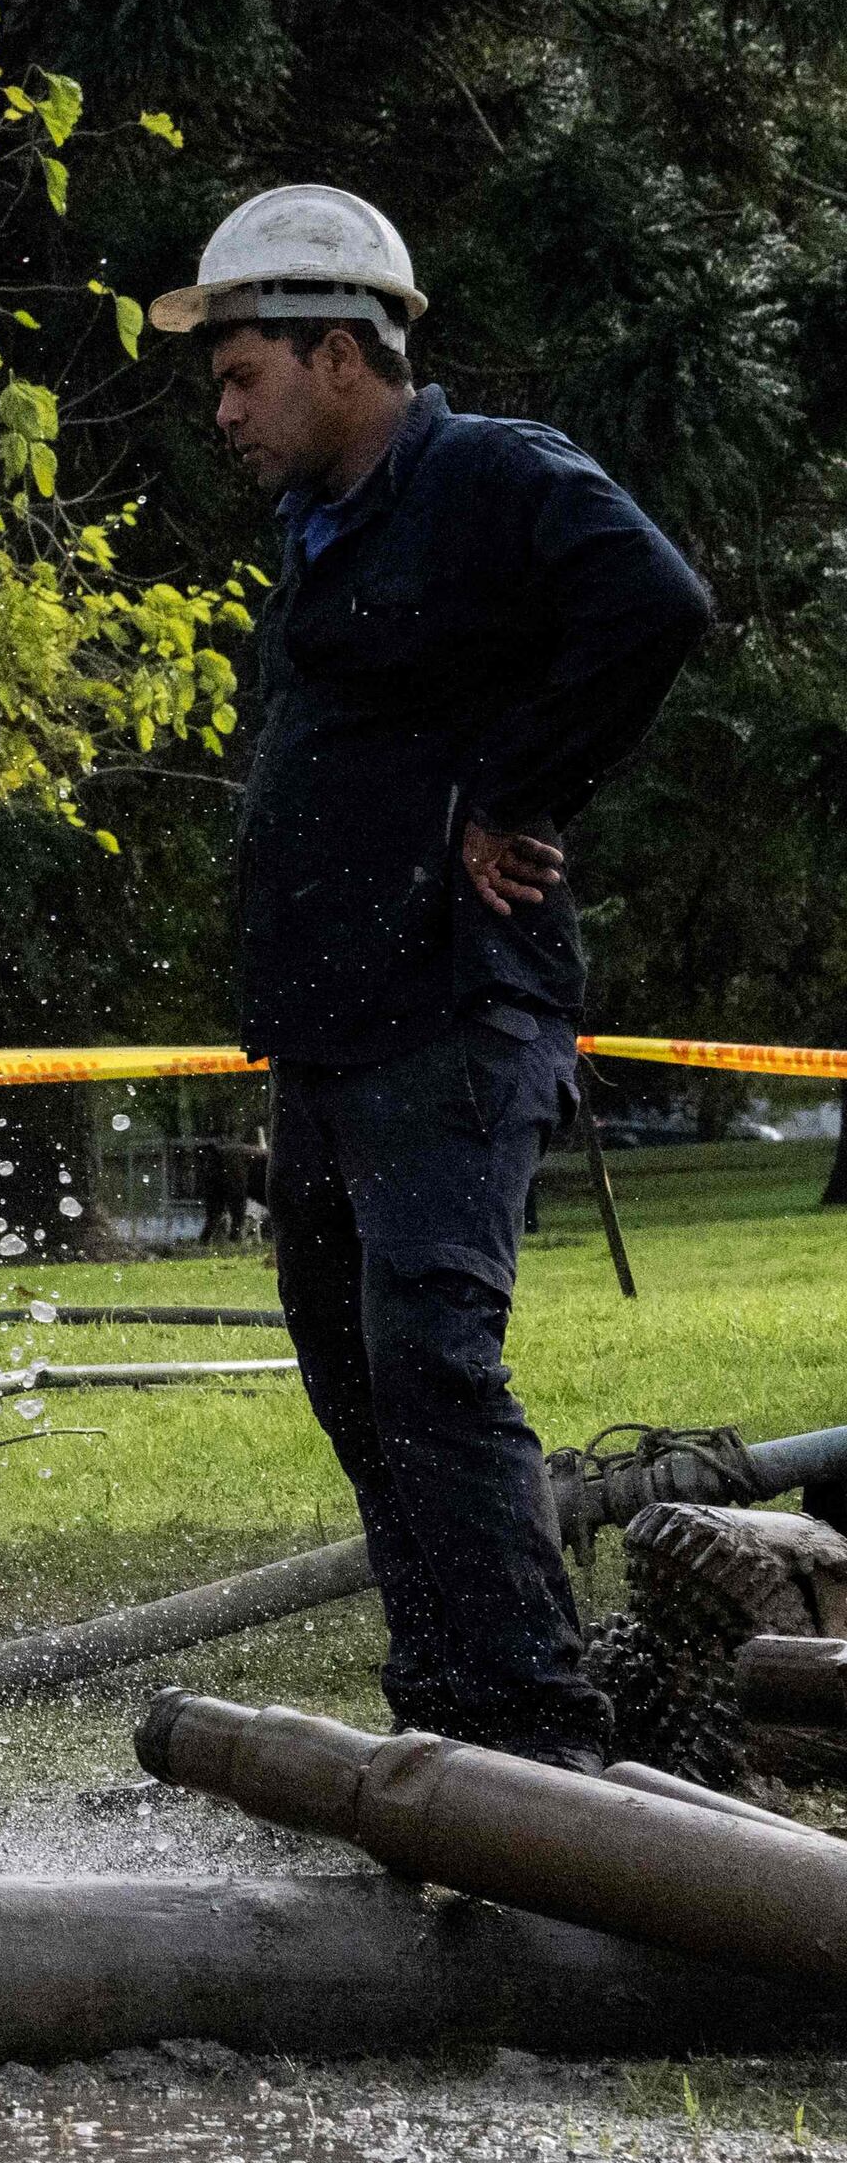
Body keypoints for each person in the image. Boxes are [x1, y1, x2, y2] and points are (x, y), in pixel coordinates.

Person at [155, 185, 713, 1762]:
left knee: (432, 1358)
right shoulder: (320, 527)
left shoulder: (484, 472)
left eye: (242, 369)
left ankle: (542, 1732)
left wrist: (522, 785)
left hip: (455, 1012)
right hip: (335, 1031)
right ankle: (447, 1701)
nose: (224, 405)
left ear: (343, 351)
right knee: (355, 1373)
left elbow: (656, 601)